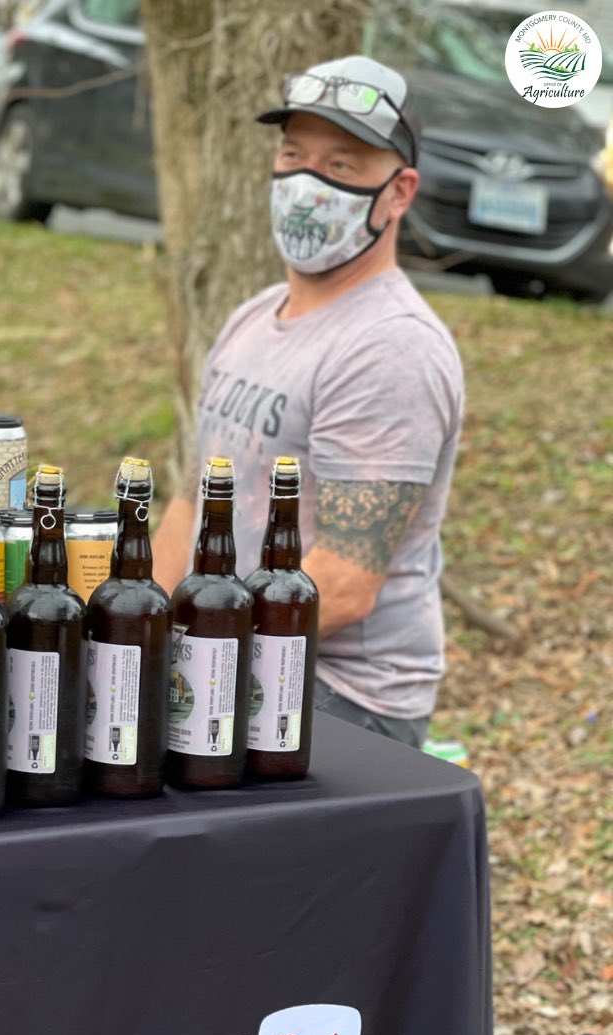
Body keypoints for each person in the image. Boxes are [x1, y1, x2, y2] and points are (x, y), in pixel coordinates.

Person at [152, 55, 464, 751]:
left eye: (342, 167)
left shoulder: (390, 348)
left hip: (341, 697)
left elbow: (345, 584)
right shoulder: (254, 317)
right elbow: (191, 502)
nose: (305, 183)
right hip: (225, 651)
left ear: (399, 192)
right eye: (294, 156)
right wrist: (131, 631)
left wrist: (185, 655)